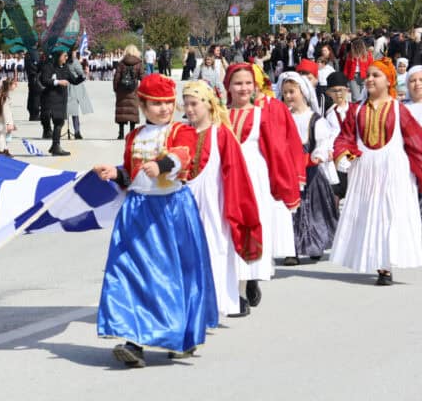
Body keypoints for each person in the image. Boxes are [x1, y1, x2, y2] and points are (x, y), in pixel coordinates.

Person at [93, 74, 217, 367]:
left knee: (172, 275)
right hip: (136, 211)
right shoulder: (134, 136)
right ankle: (133, 341)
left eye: (167, 103)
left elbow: (182, 157)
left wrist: (160, 165)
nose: (163, 109)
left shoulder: (181, 130)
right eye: (156, 104)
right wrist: (116, 173)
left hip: (171, 211)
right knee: (128, 272)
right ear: (143, 105)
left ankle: (182, 336)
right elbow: (131, 172)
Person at [332, 58, 422, 285]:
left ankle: (386, 265)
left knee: (389, 215)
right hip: (365, 171)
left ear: (389, 80)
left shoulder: (399, 110)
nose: (369, 79)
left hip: (393, 170)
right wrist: (343, 155)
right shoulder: (356, 110)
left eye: (375, 75)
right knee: (369, 215)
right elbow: (345, 138)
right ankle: (375, 261)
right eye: (368, 75)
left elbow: (416, 143)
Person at [183, 80, 262, 318]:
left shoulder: (221, 134)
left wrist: (237, 208)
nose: (189, 110)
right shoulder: (181, 133)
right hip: (186, 202)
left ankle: (214, 301)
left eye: (194, 104)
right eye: (185, 104)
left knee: (215, 249)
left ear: (208, 104)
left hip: (214, 203)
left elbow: (236, 174)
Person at [225, 63, 301, 309]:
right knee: (230, 228)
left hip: (255, 178)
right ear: (228, 86)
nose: (244, 88)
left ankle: (250, 279)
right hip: (227, 179)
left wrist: (285, 188)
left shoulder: (262, 115)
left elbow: (277, 152)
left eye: (248, 83)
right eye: (238, 83)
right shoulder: (221, 115)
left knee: (253, 227)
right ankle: (235, 286)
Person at [278, 72, 338, 265]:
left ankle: (315, 244)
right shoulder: (283, 118)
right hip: (289, 172)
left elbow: (323, 141)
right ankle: (291, 250)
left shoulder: (315, 120)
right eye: (285, 92)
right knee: (291, 212)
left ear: (303, 92)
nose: (288, 96)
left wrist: (318, 155)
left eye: (291, 92)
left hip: (310, 171)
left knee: (314, 210)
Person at [40, 49, 85, 156]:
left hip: (61, 99)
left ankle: (55, 146)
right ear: (58, 56)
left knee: (59, 122)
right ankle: (55, 146)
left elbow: (73, 80)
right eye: (64, 56)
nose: (66, 58)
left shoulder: (65, 67)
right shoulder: (49, 66)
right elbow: (44, 80)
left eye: (66, 56)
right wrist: (58, 82)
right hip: (50, 99)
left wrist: (82, 76)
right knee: (58, 122)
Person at [324, 71, 351, 201]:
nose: (339, 94)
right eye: (334, 91)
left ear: (347, 90)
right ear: (329, 93)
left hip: (356, 153)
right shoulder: (330, 114)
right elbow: (330, 135)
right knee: (340, 189)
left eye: (341, 90)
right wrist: (329, 150)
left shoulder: (355, 108)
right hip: (340, 155)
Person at [114, 44, 144, 140]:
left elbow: (116, 78)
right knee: (132, 111)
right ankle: (132, 133)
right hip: (133, 90)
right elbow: (143, 78)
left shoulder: (121, 63)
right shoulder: (138, 63)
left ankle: (121, 133)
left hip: (122, 91)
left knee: (122, 111)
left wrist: (116, 89)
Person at [66, 48, 93, 139]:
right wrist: (85, 72)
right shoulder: (74, 62)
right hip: (74, 87)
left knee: (64, 110)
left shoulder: (63, 60)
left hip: (64, 85)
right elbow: (81, 73)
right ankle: (77, 131)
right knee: (74, 111)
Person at [0, 78, 16, 156]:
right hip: (3, 120)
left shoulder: (1, 94)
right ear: (9, 86)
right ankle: (2, 152)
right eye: (14, 84)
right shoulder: (5, 97)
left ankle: (5, 150)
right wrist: (9, 123)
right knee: (2, 136)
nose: (16, 86)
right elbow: (6, 112)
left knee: (1, 136)